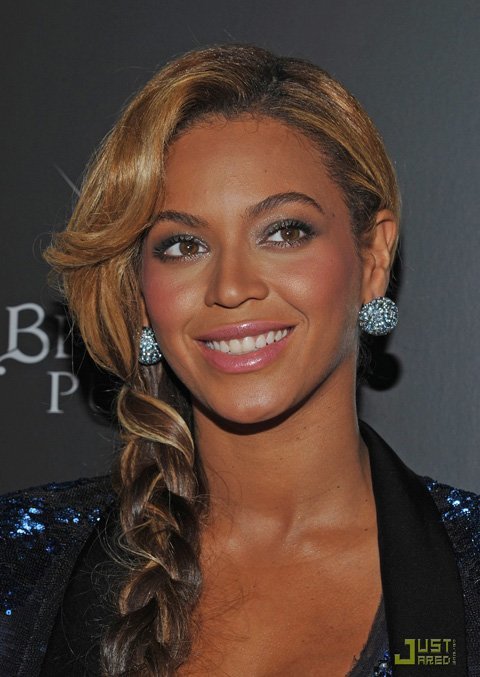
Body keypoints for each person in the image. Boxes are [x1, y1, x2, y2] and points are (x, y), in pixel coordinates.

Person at [1, 44, 479, 677]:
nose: (230, 287)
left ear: (372, 259)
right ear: (140, 291)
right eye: (183, 245)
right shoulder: (20, 561)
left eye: (284, 232)